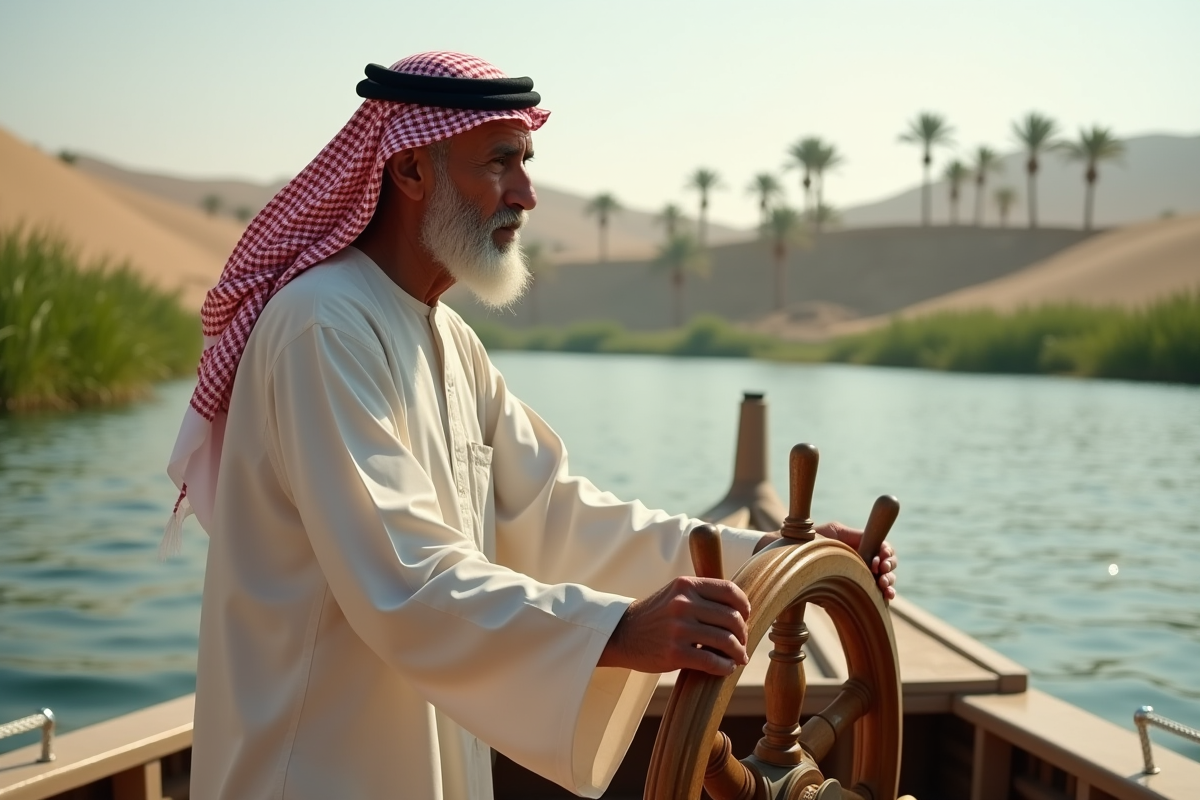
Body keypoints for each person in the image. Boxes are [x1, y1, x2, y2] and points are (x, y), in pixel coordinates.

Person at [164, 51, 898, 800]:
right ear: (413, 170)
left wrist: (773, 555)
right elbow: (405, 576)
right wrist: (616, 633)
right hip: (310, 770)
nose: (527, 193)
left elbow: (556, 516)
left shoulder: (448, 340)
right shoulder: (321, 325)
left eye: (527, 160)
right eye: (501, 162)